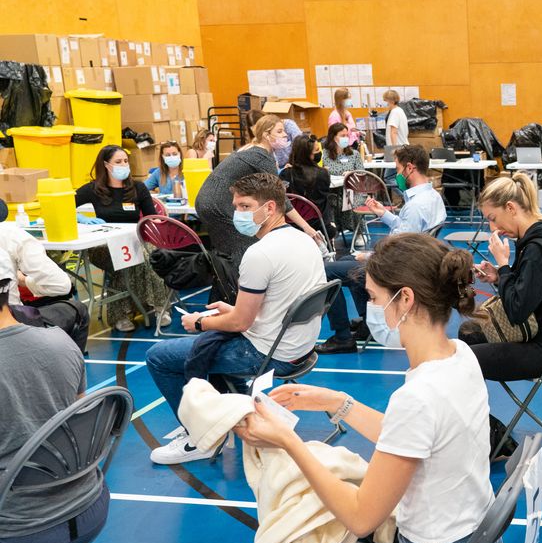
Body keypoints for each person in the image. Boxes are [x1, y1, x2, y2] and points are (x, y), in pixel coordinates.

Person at [233, 233, 500, 543]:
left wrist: (289, 441)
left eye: (374, 299)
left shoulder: (420, 395)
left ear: (405, 299)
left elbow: (361, 517)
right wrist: (335, 401)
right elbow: (412, 440)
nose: (372, 309)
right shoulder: (460, 356)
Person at [145, 173, 327, 465]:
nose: (237, 214)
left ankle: (200, 437)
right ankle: (229, 416)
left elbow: (240, 324)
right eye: (236, 206)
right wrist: (232, 312)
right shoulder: (303, 239)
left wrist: (201, 323)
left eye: (244, 206)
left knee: (158, 357)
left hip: (268, 353)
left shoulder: (260, 253)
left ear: (269, 208)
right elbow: (275, 305)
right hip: (299, 346)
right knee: (216, 333)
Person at [0, 250, 112, 543]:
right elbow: (72, 429)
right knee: (46, 461)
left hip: (18, 542)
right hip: (89, 512)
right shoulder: (60, 342)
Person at [457, 173, 542, 459]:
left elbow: (516, 311)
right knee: (468, 335)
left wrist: (502, 265)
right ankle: (485, 430)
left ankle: (494, 438)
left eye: (493, 217)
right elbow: (527, 293)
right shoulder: (541, 235)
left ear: (511, 208)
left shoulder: (536, 248)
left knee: (458, 361)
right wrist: (500, 277)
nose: (493, 227)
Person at [316, 145, 446, 355]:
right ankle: (367, 323)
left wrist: (368, 255)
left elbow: (397, 252)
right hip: (415, 262)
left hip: (398, 267)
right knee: (351, 264)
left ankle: (342, 337)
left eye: (398, 168)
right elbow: (407, 232)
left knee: (327, 271)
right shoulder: (432, 197)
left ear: (409, 168)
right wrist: (383, 213)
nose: (397, 174)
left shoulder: (415, 206)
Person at [195, 115, 320, 268]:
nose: (285, 135)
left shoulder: (252, 150)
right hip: (217, 204)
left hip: (207, 202)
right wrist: (306, 227)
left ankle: (232, 287)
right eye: (279, 131)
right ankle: (244, 287)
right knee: (245, 250)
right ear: (266, 135)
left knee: (229, 254)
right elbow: (281, 198)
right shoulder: (261, 157)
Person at [74, 145, 172, 332]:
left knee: (147, 257)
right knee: (125, 260)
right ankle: (123, 314)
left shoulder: (138, 188)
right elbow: (64, 205)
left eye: (125, 161)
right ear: (106, 165)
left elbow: (152, 219)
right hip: (103, 246)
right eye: (118, 162)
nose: (123, 165)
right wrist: (82, 218)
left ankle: (160, 307)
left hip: (135, 240)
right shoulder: (93, 189)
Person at [0, 203, 90, 352]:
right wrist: (25, 281)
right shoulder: (11, 234)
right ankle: (67, 370)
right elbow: (61, 285)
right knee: (79, 310)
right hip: (11, 322)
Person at [320, 123, 365, 239]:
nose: (345, 138)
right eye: (342, 135)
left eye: (347, 135)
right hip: (333, 191)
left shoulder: (354, 154)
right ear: (333, 137)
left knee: (353, 200)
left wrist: (352, 173)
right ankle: (332, 235)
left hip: (352, 190)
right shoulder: (324, 154)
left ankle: (359, 233)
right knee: (329, 202)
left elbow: (362, 174)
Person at [279, 133, 331, 220]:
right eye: (317, 150)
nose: (320, 152)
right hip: (318, 223)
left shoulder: (285, 174)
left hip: (293, 222)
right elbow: (323, 197)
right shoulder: (322, 174)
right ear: (307, 155)